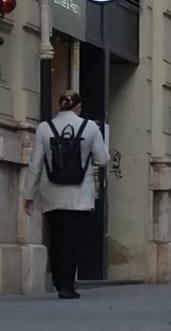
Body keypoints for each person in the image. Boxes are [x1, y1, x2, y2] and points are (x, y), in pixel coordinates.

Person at [21, 90, 109, 299]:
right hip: (80, 195)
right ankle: (67, 286)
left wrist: (28, 195)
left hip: (51, 193)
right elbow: (103, 159)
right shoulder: (90, 128)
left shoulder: (44, 128)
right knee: (73, 240)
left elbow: (35, 165)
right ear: (78, 107)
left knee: (56, 237)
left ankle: (59, 281)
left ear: (59, 106)